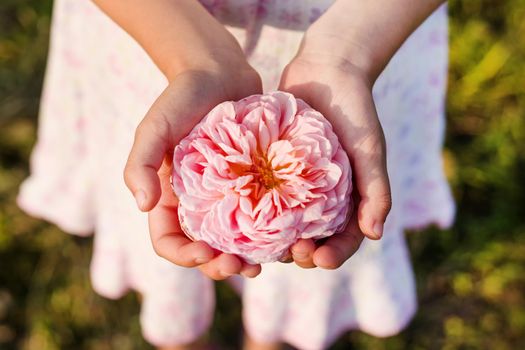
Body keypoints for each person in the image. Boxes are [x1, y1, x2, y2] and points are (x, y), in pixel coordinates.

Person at [18, 0, 455, 349]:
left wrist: (348, 52)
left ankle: (270, 335)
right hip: (152, 26)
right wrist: (194, 58)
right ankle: (183, 335)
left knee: (301, 268)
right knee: (165, 225)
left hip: (372, 25)